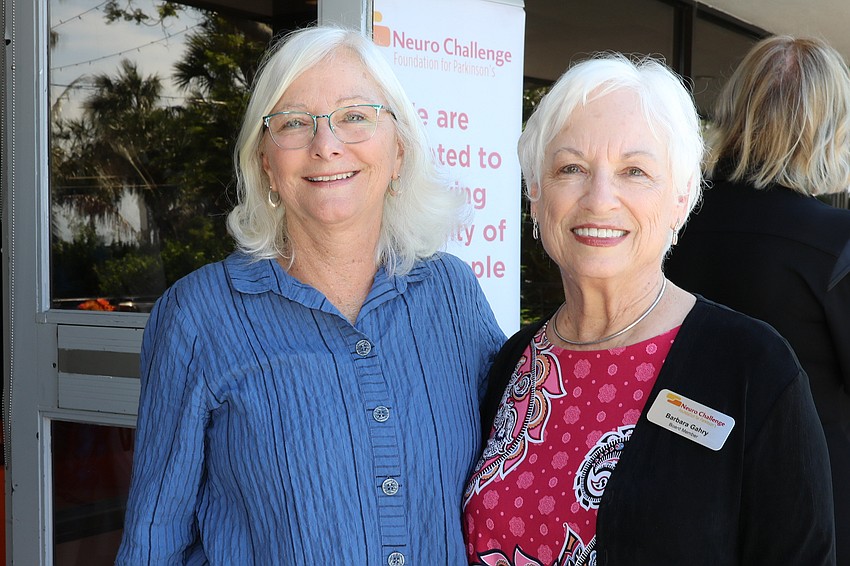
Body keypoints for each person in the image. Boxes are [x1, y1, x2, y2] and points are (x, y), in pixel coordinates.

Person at [116, 25, 505, 565]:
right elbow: (153, 541)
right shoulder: (198, 315)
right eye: (295, 123)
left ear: (399, 152)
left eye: (354, 116)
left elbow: (516, 476)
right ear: (265, 165)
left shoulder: (452, 294)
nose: (327, 145)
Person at [462, 53, 836, 565]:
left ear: (681, 197)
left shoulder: (752, 369)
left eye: (634, 171)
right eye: (571, 168)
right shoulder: (510, 367)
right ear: (534, 191)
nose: (599, 198)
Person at [665, 35, 850, 565]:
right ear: (830, 131)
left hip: (684, 489)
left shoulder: (672, 221)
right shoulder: (837, 244)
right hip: (812, 508)